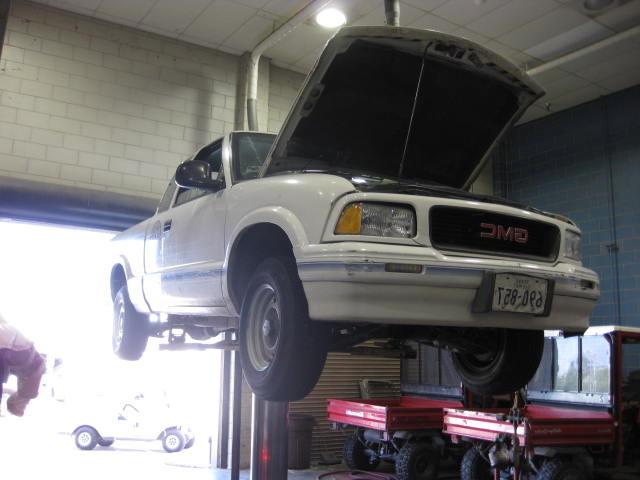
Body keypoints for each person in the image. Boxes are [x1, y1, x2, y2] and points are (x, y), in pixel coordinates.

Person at [0, 313, 45, 416]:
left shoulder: (6, 330)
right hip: (29, 364)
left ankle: (16, 404)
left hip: (30, 364)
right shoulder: (7, 330)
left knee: (27, 395)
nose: (25, 404)